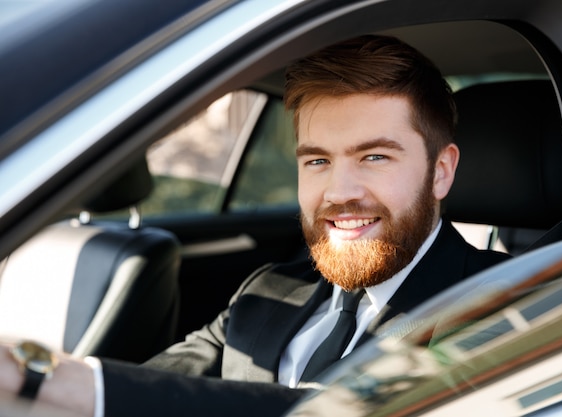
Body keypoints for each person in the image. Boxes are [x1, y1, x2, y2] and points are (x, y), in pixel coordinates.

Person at [0, 34, 510, 417]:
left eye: (374, 157)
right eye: (316, 161)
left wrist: (51, 379)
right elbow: (155, 389)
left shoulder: (513, 301)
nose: (338, 192)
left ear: (440, 171)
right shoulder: (266, 291)